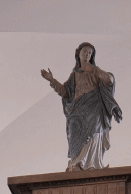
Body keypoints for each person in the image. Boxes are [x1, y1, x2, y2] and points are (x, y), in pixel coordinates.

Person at [41, 42, 123, 171]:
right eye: (84, 51)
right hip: (77, 110)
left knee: (93, 131)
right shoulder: (74, 75)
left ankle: (89, 164)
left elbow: (110, 80)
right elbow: (65, 92)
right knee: (73, 130)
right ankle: (76, 162)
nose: (87, 54)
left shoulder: (96, 72)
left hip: (93, 109)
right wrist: (52, 80)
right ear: (78, 53)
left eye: (90, 53)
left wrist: (94, 70)